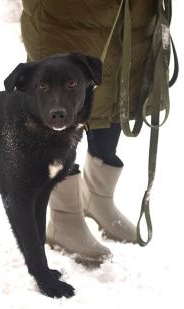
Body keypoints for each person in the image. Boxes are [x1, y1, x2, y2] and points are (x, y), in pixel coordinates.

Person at [20, 0, 157, 264]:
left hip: (132, 11)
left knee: (115, 94)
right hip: (70, 14)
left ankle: (98, 198)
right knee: (62, 101)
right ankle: (64, 217)